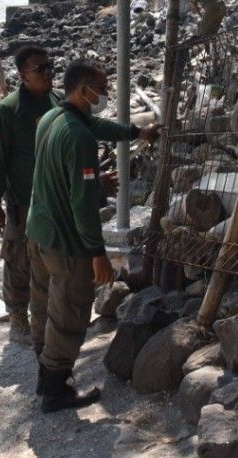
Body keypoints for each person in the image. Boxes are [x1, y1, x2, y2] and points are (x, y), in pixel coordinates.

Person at [27, 59, 159, 412]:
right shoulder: (78, 136)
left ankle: (46, 377)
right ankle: (56, 391)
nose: (103, 94)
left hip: (38, 231)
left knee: (48, 306)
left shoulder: (52, 118)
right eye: (100, 88)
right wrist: (97, 253)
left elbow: (96, 124)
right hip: (63, 239)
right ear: (83, 88)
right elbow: (83, 204)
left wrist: (134, 133)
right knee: (70, 311)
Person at [0, 45, 56, 345]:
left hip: (56, 198)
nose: (48, 72)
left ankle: (48, 311)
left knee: (52, 255)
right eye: (40, 69)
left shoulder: (59, 102)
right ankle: (17, 316)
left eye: (49, 65)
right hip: (22, 199)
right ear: (24, 76)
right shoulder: (8, 110)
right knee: (18, 257)